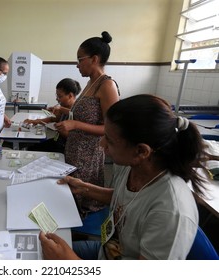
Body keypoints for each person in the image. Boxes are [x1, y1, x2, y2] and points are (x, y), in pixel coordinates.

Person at [40, 94, 206, 260]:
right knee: (38, 252)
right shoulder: (136, 167)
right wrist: (84, 188)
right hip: (107, 251)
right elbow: (125, 198)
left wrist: (70, 262)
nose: (101, 144)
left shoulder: (170, 212)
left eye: (110, 141)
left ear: (141, 151)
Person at [54, 31, 120, 235]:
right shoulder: (90, 83)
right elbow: (84, 114)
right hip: (75, 150)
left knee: (84, 197)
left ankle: (81, 239)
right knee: (72, 194)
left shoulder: (106, 85)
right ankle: (71, 230)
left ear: (94, 59)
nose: (77, 65)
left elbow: (112, 128)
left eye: (79, 60)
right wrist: (65, 114)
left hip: (88, 155)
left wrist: (75, 125)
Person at [23, 78, 81, 153]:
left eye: (60, 96)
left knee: (33, 150)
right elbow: (52, 119)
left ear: (70, 96)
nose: (57, 99)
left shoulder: (78, 112)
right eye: (57, 96)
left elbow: (75, 138)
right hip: (57, 141)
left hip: (66, 148)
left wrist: (59, 129)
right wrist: (34, 121)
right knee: (31, 148)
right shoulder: (63, 107)